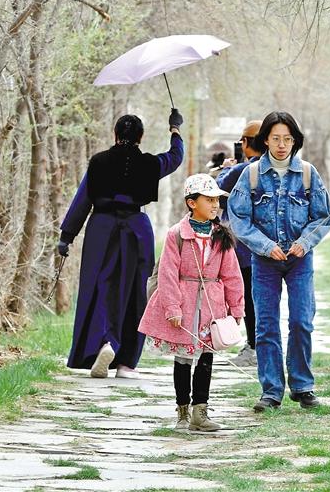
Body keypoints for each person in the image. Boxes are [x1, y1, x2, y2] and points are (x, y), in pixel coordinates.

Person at [58, 109, 184, 379]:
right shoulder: (149, 164)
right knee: (136, 291)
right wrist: (175, 130)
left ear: (115, 134)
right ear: (141, 136)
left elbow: (83, 200)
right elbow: (175, 158)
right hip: (137, 230)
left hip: (101, 229)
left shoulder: (99, 162)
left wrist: (66, 236)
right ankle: (127, 362)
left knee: (100, 287)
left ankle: (105, 342)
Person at [227, 111, 330, 412]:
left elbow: (323, 217)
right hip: (264, 262)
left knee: (301, 321)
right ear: (265, 140)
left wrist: (304, 242)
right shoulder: (251, 175)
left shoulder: (308, 173)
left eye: (287, 139)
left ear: (295, 141)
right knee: (266, 326)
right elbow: (239, 218)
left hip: (300, 260)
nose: (282, 145)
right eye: (276, 138)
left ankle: (302, 386)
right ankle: (271, 391)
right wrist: (265, 245)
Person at [138, 174, 245, 431]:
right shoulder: (177, 235)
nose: (215, 205)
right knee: (183, 360)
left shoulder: (221, 235)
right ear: (192, 203)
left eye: (216, 200)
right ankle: (183, 411)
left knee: (206, 358)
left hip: (212, 307)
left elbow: (232, 275)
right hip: (184, 306)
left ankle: (201, 412)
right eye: (209, 200)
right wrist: (172, 308)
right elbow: (167, 274)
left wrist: (236, 308)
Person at [215, 120, 262, 367]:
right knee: (261, 301)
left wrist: (225, 169)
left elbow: (217, 194)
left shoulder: (241, 171)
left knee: (246, 300)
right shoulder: (273, 170)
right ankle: (261, 346)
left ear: (245, 143)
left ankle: (252, 347)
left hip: (242, 249)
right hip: (266, 247)